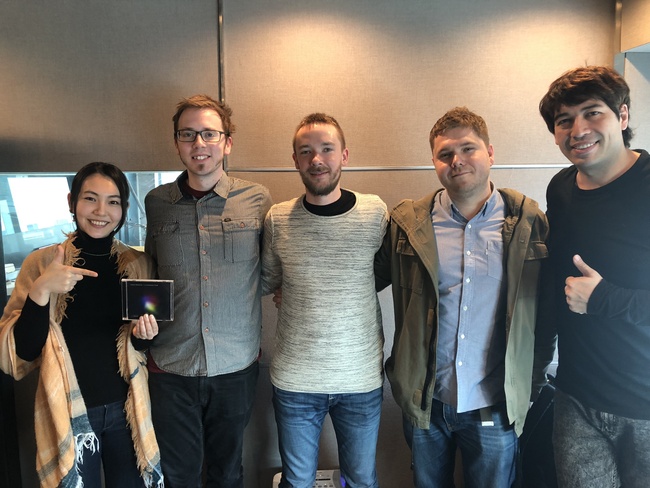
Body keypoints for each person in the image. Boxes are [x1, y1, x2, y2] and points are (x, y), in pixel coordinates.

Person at [374, 107, 553, 487]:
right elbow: (363, 282)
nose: (457, 160)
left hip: (495, 403)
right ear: (434, 162)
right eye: (445, 154)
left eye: (468, 149)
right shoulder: (408, 224)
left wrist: (530, 384)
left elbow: (545, 311)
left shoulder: (528, 223)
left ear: (490, 152)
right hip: (426, 402)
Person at [0, 162, 163, 488]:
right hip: (67, 411)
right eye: (90, 198)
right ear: (71, 201)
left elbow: (142, 344)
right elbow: (19, 354)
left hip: (127, 411)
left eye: (113, 201)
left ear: (123, 208)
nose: (101, 211)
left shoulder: (138, 264)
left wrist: (143, 337)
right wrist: (41, 290)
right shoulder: (42, 263)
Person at [144, 94, 272, 487]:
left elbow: (268, 273)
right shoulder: (157, 202)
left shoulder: (257, 199)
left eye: (209, 134)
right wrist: (141, 318)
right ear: (177, 143)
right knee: (178, 475)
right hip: (170, 365)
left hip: (235, 365)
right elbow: (149, 273)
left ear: (227, 142)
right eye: (188, 134)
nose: (199, 143)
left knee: (227, 472)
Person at [261, 113, 388, 488]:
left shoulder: (375, 213)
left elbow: (384, 274)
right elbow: (270, 279)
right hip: (295, 381)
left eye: (327, 149)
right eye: (306, 151)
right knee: (297, 481)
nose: (317, 160)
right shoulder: (277, 219)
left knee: (361, 480)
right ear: (295, 160)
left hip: (360, 380)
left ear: (344, 155)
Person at [538, 65, 650, 487]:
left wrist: (603, 298)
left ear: (622, 116)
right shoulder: (561, 189)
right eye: (564, 120)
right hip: (576, 397)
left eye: (592, 113)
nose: (578, 130)